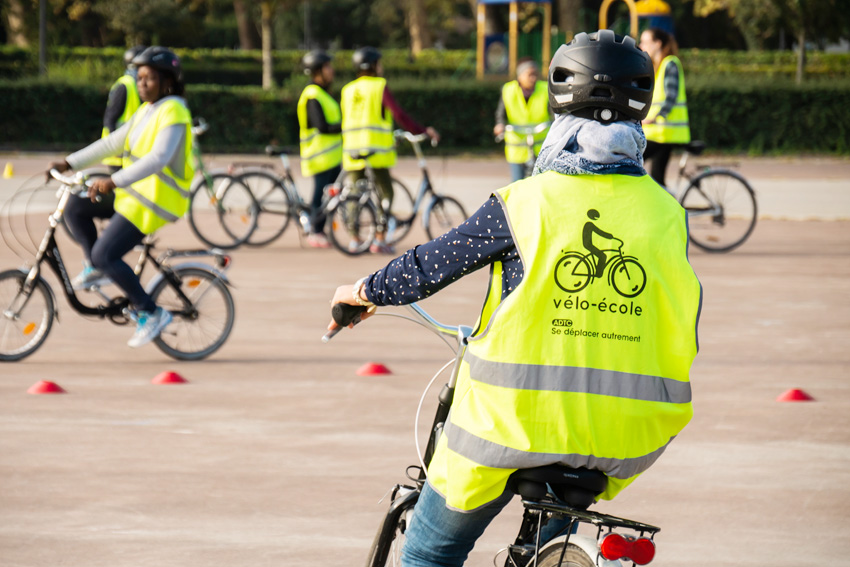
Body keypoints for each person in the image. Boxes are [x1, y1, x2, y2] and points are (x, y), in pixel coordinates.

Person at [328, 30, 702, 567]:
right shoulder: (669, 216)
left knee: (429, 553)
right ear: (638, 112)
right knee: (553, 540)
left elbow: (431, 265)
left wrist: (364, 291)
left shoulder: (524, 202)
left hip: (509, 423)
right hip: (624, 434)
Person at [48, 46, 195, 348]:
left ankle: (150, 312)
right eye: (139, 77)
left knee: (106, 254)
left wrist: (112, 181)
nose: (142, 83)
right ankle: (96, 269)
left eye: (150, 78)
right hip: (135, 195)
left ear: (167, 80)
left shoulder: (174, 110)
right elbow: (112, 143)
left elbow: (159, 158)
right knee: (75, 207)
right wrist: (69, 162)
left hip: (157, 200)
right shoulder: (146, 110)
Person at [339, 46, 439, 254]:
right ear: (373, 66)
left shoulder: (347, 90)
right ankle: (379, 238)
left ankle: (355, 238)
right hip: (376, 150)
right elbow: (398, 114)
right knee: (386, 192)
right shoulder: (378, 86)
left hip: (352, 150)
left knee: (355, 193)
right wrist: (421, 130)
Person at [297, 50, 343, 249]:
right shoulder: (312, 95)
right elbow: (321, 126)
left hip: (330, 156)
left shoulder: (322, 93)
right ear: (317, 71)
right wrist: (346, 126)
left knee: (327, 196)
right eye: (327, 67)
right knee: (319, 196)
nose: (331, 71)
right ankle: (315, 231)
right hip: (319, 156)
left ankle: (320, 230)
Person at [639, 28, 691, 187]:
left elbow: (671, 97)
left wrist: (655, 117)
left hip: (666, 132)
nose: (641, 45)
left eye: (645, 41)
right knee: (657, 179)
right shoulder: (658, 67)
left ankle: (666, 209)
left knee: (633, 163)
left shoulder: (669, 64)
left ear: (657, 43)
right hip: (658, 133)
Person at [493, 57, 551, 183]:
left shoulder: (545, 89)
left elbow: (553, 113)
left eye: (535, 74)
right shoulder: (508, 90)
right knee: (517, 184)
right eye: (529, 75)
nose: (533, 78)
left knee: (540, 183)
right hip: (516, 147)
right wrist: (499, 125)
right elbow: (500, 114)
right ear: (520, 76)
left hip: (540, 146)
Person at [100, 45, 146, 173]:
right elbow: (109, 118)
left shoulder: (138, 86)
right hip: (119, 153)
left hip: (131, 151)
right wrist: (115, 147)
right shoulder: (125, 85)